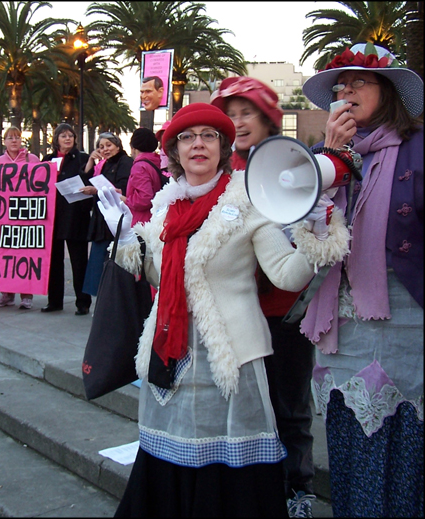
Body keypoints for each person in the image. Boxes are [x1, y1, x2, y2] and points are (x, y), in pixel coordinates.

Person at [95, 103, 349, 517]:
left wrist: (316, 230)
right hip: (172, 361)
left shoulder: (248, 202)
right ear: (175, 152)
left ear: (223, 148)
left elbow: (287, 274)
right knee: (171, 460)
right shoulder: (165, 207)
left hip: (231, 362)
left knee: (229, 474)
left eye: (209, 136)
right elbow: (160, 274)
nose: (198, 144)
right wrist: (125, 240)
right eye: (187, 137)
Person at [300, 43, 423, 518]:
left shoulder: (417, 146)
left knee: (404, 446)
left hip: (407, 319)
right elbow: (303, 232)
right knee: (352, 441)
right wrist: (331, 159)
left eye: (358, 82)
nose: (346, 92)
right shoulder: (320, 156)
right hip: (343, 326)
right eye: (340, 86)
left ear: (386, 91)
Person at [211, 76, 317, 517]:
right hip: (237, 312)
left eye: (246, 113)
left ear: (268, 118)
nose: (238, 122)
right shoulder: (219, 169)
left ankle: (297, 489)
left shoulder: (291, 162)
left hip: (284, 312)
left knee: (289, 405)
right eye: (230, 115)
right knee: (245, 406)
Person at [40, 123, 93, 315]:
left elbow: (89, 180)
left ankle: (83, 302)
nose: (68, 138)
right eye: (63, 136)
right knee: (53, 261)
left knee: (79, 261)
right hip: (52, 216)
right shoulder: (47, 160)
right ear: (56, 139)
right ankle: (54, 301)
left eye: (70, 135)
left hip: (75, 215)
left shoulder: (83, 158)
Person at [0, 127, 40, 310]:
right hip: (4, 216)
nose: (14, 141)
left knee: (25, 256)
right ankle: (7, 293)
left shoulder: (32, 160)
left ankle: (26, 295)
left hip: (26, 216)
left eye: (17, 137)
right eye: (10, 138)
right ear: (4, 141)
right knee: (5, 256)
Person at [81, 132, 133, 297]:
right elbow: (86, 180)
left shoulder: (125, 162)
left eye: (108, 145)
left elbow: (123, 188)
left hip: (115, 221)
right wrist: (91, 161)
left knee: (112, 264)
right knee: (98, 264)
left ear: (118, 145)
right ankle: (101, 299)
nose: (105, 150)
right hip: (101, 221)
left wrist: (97, 190)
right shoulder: (102, 164)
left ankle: (111, 300)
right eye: (101, 147)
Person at [124, 127, 163, 227]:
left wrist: (126, 200)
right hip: (157, 217)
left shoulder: (139, 166)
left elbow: (144, 199)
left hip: (142, 222)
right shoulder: (158, 161)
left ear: (133, 147)